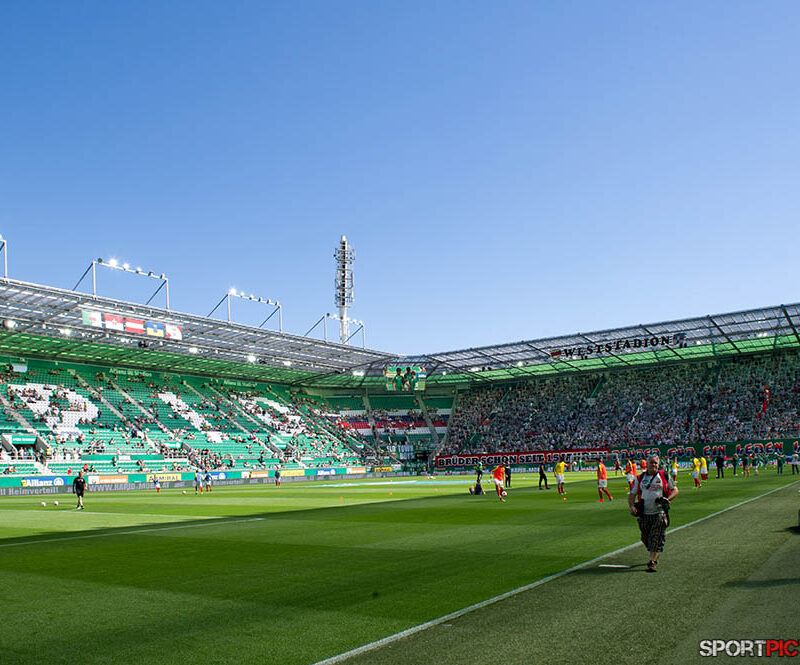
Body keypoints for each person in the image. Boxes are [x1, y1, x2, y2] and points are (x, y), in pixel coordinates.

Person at [628, 455, 679, 573]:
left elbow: (675, 489)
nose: (654, 465)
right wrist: (631, 506)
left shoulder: (664, 476)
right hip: (644, 513)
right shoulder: (640, 478)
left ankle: (652, 562)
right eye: (651, 463)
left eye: (656, 463)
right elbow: (632, 494)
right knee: (645, 538)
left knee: (655, 537)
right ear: (647, 464)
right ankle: (655, 553)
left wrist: (668, 499)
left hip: (659, 512)